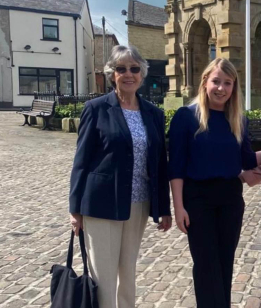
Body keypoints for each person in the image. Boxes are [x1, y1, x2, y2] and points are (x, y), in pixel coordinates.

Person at [69, 45, 171, 308]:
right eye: (121, 68)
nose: (129, 74)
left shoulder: (154, 114)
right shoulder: (96, 109)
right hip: (102, 202)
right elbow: (81, 161)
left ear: (142, 74)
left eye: (134, 69)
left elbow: (160, 163)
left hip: (138, 203)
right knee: (103, 274)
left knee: (128, 271)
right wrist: (75, 208)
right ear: (112, 73)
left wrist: (164, 208)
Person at [169, 58, 261, 308]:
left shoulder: (237, 119)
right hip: (198, 200)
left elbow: (246, 158)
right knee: (206, 266)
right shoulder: (186, 117)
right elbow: (176, 167)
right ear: (205, 82)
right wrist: (179, 207)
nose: (221, 88)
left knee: (224, 264)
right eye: (216, 81)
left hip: (231, 199)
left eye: (227, 83)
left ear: (234, 87)